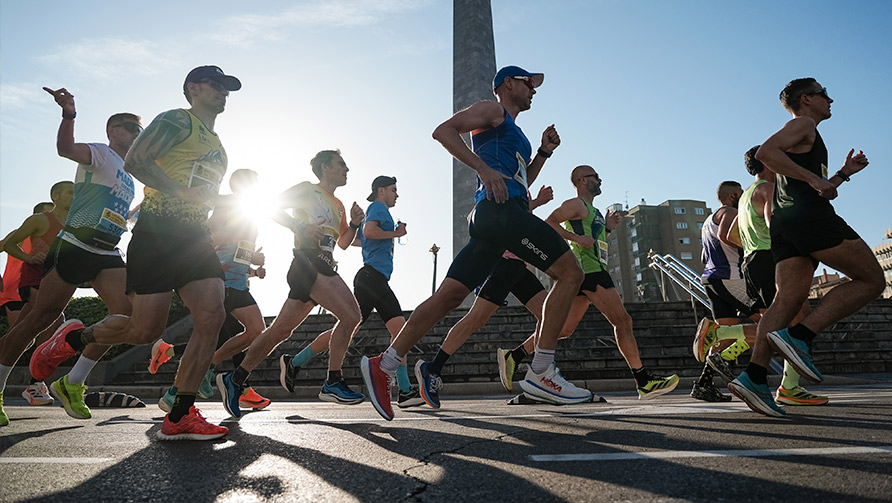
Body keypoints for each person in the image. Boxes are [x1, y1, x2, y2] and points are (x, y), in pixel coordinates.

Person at [362, 65, 591, 421]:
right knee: (570, 274)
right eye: (529, 83)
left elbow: (518, 180)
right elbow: (443, 132)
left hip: (499, 215)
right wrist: (482, 170)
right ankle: (542, 370)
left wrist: (543, 153)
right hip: (499, 212)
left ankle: (385, 363)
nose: (534, 89)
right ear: (508, 84)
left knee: (450, 297)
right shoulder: (492, 109)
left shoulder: (514, 131)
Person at [29, 65, 241, 439]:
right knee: (145, 330)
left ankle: (180, 414)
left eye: (227, 88)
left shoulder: (218, 145)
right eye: (215, 85)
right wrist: (178, 191)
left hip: (193, 237)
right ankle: (72, 341)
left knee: (212, 314)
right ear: (192, 88)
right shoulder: (177, 120)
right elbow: (137, 161)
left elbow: (200, 193)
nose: (223, 92)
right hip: (158, 232)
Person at [728, 78, 884, 416]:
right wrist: (815, 179)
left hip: (786, 225)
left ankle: (754, 377)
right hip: (810, 219)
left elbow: (817, 185)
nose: (831, 99)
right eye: (824, 94)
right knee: (872, 280)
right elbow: (765, 153)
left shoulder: (807, 135)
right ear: (806, 99)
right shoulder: (802, 124)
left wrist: (842, 173)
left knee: (788, 300)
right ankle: (800, 336)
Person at [217, 149, 365, 418]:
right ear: (324, 167)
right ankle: (333, 380)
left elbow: (342, 243)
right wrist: (300, 226)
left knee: (278, 332)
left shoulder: (339, 204)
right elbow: (270, 206)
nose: (347, 169)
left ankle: (235, 379)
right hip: (308, 263)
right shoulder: (308, 190)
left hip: (321, 265)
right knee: (351, 315)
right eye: (341, 164)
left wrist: (354, 224)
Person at [278, 175, 425, 409]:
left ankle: (295, 362)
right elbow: (368, 233)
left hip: (375, 279)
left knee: (357, 327)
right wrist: (395, 234)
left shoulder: (380, 210)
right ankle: (405, 390)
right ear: (381, 191)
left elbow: (361, 240)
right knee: (386, 328)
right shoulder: (377, 207)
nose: (397, 194)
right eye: (393, 190)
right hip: (371, 279)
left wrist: (389, 233)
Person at [541, 165, 679, 399]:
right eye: (595, 176)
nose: (600, 179)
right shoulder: (576, 205)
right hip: (590, 272)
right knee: (623, 321)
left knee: (563, 329)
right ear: (583, 180)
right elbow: (549, 222)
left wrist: (607, 228)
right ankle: (643, 381)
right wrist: (576, 238)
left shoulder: (593, 212)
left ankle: (515, 355)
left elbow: (593, 241)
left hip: (591, 271)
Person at [156, 169, 271, 413]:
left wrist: (253, 265)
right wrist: (242, 243)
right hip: (219, 279)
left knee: (255, 330)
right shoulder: (227, 204)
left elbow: (238, 250)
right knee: (208, 335)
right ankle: (178, 391)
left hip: (238, 281)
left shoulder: (252, 211)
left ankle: (205, 369)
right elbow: (209, 234)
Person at [724, 146, 826, 406]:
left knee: (781, 319)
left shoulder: (746, 196)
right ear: (767, 163)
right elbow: (776, 224)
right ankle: (788, 386)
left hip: (752, 261)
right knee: (797, 319)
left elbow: (730, 235)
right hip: (770, 257)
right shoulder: (769, 189)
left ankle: (789, 385)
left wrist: (751, 245)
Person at [689, 181, 758, 402]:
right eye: (741, 194)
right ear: (732, 195)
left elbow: (703, 256)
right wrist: (751, 245)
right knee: (770, 324)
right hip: (730, 276)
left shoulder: (708, 221)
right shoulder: (729, 211)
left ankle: (703, 385)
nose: (744, 197)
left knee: (731, 331)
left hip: (712, 279)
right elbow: (727, 236)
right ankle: (715, 335)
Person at [0, 202, 56, 408]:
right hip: (14, 289)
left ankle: (35, 384)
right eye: (51, 211)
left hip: (37, 283)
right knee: (27, 333)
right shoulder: (23, 232)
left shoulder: (52, 235)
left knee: (26, 336)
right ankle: (34, 384)